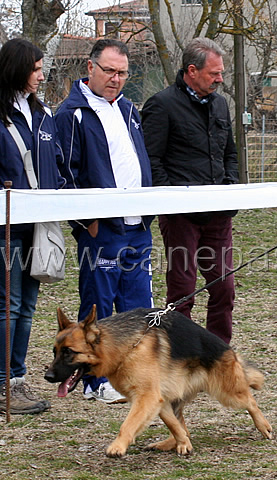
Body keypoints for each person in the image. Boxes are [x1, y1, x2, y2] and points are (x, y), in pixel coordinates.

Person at [55, 39, 154, 404]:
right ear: (90, 67)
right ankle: (96, 381)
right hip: (102, 229)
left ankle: (133, 373)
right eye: (109, 70)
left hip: (137, 225)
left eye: (122, 72)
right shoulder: (71, 114)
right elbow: (65, 173)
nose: (116, 79)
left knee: (138, 302)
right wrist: (86, 223)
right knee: (99, 303)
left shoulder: (129, 109)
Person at [141, 38, 239, 344]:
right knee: (182, 290)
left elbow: (230, 155)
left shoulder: (221, 105)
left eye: (221, 72)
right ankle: (179, 354)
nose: (220, 79)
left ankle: (217, 353)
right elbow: (151, 158)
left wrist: (230, 188)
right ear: (192, 70)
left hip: (218, 214)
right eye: (214, 73)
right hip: (181, 215)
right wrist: (171, 198)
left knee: (224, 287)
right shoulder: (162, 105)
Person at [0, 38, 66, 414]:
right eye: (36, 68)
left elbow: (55, 163)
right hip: (5, 227)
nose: (42, 75)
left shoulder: (41, 113)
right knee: (7, 306)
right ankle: (2, 384)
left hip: (36, 224)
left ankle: (17, 378)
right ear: (17, 68)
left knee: (25, 306)